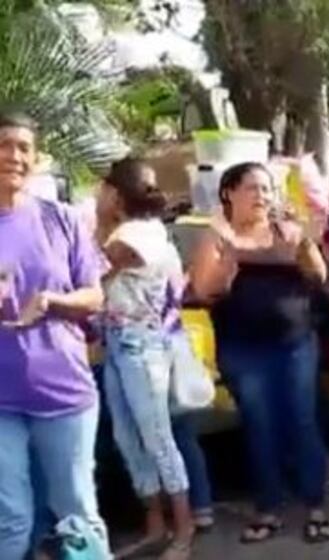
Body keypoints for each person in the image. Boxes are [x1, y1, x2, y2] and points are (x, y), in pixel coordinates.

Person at [190, 162, 329, 545]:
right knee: (261, 426)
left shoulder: (285, 231)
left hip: (295, 344)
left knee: (302, 421)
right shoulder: (215, 238)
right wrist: (230, 263)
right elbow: (203, 291)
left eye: (267, 189)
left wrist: (304, 244)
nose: (262, 196)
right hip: (244, 350)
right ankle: (268, 508)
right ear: (229, 193)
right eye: (253, 188)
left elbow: (318, 276)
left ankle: (315, 506)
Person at [0, 112, 110, 559]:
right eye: (5, 145)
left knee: (77, 513)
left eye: (24, 147)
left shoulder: (61, 220)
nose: (15, 156)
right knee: (13, 520)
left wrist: (49, 301)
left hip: (62, 391)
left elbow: (95, 296)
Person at [95, 157, 194, 559]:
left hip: (142, 346)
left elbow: (96, 271)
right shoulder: (137, 230)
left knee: (157, 438)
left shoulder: (137, 234)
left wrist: (101, 219)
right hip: (120, 341)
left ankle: (182, 529)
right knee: (127, 437)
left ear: (116, 194)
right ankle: (155, 524)